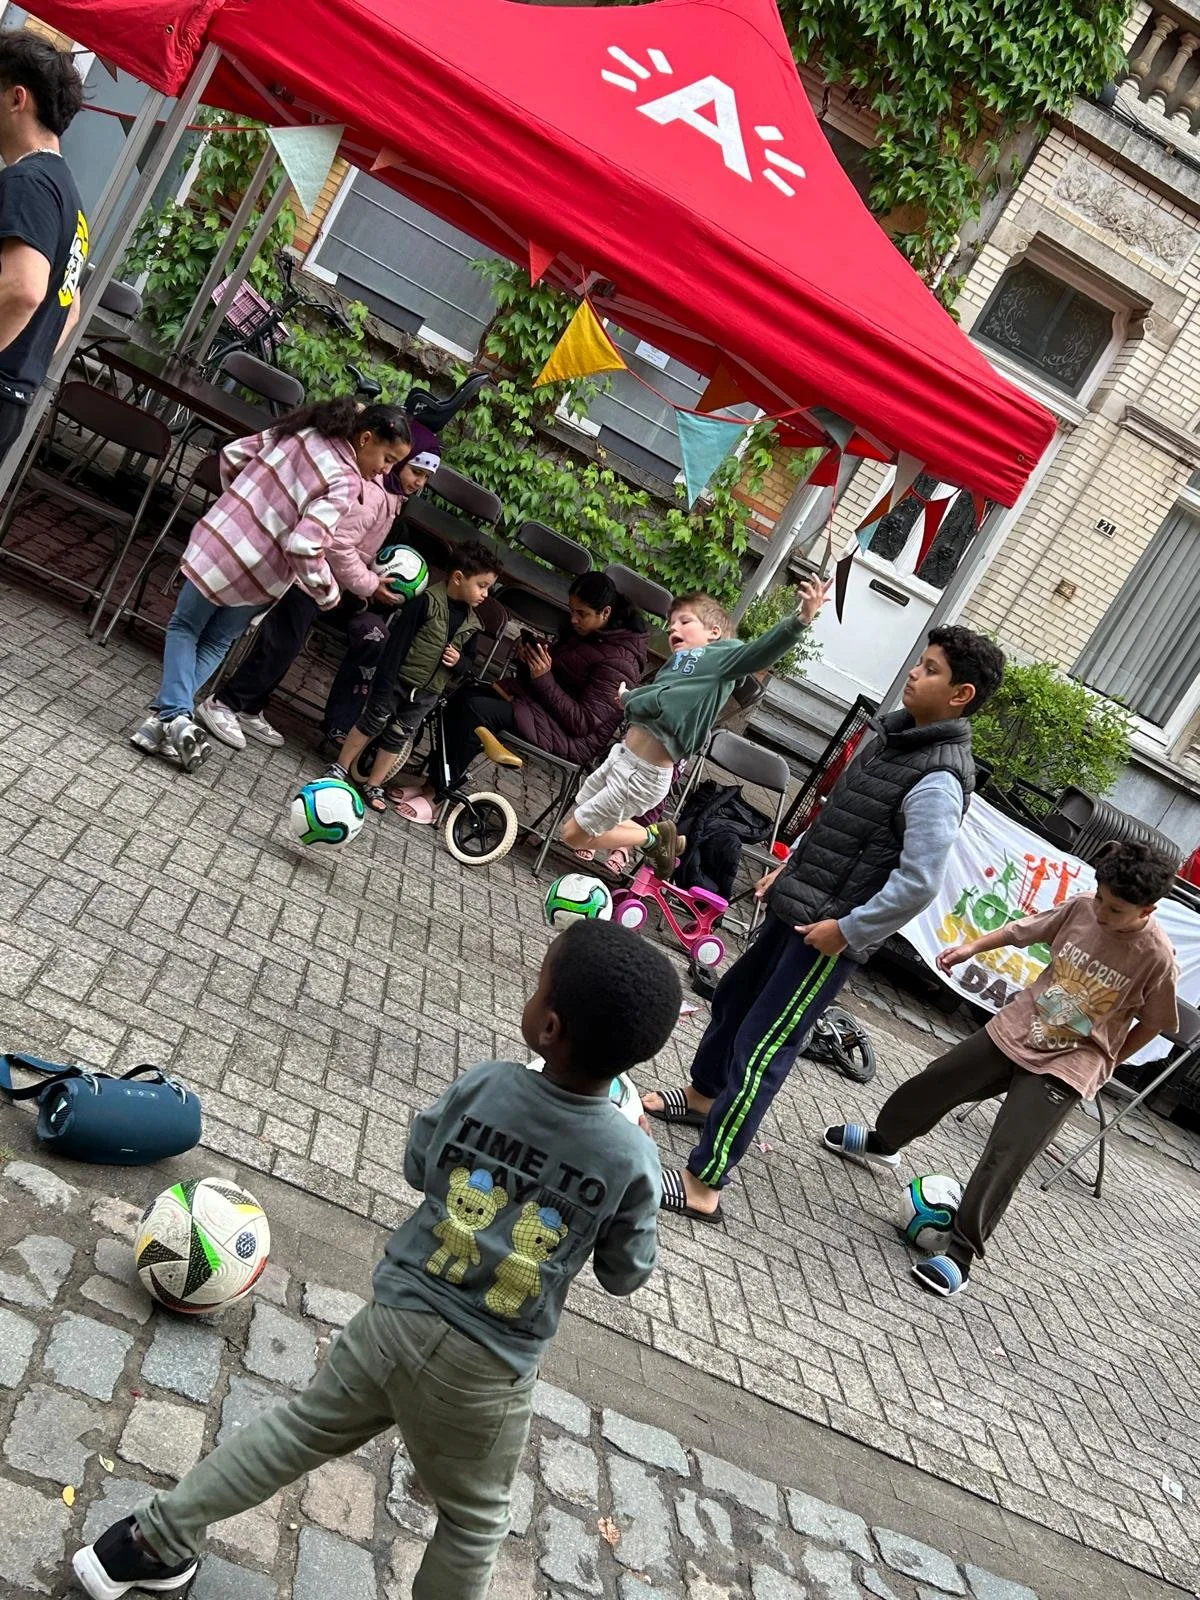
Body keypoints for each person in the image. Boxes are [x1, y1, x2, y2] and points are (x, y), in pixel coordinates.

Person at [71, 920, 681, 1600]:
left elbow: (419, 1164)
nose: (532, 997)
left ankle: (147, 1541)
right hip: (487, 1371)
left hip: (396, 1317)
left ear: (548, 1028)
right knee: (475, 1525)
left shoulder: (487, 1085)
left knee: (299, 1430)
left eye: (537, 988)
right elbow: (626, 1274)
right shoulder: (631, 1156)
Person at [642, 625, 1006, 1223]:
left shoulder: (939, 777)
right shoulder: (893, 740)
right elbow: (841, 818)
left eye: (932, 669)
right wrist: (785, 873)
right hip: (799, 906)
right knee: (733, 1000)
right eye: (920, 662)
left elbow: (919, 883)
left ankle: (706, 1182)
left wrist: (850, 931)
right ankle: (706, 1097)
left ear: (960, 695)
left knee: (763, 1046)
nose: (915, 672)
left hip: (828, 937)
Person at [824, 839, 1180, 1298]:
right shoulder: (1082, 908)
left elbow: (1155, 1022)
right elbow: (1020, 932)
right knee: (936, 1082)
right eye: (1100, 897)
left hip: (1073, 1061)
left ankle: (960, 1254)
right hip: (1022, 1025)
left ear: (1147, 910)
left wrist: (1107, 1059)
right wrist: (969, 948)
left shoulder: (1157, 957)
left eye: (1114, 909)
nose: (1101, 910)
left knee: (1007, 1152)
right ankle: (884, 1141)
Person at [129, 398, 410, 774]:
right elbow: (304, 546)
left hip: (221, 542)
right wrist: (328, 593)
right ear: (365, 438)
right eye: (387, 459)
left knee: (186, 626)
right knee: (215, 640)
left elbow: (231, 455)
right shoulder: (344, 482)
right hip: (262, 572)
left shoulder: (302, 432)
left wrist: (244, 504)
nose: (382, 472)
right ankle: (172, 720)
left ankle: (168, 721)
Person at [199, 420, 443, 751]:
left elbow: (359, 549)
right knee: (281, 642)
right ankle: (225, 703)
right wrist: (369, 585)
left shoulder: (391, 497)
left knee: (295, 642)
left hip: (335, 583)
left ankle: (251, 707)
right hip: (309, 574)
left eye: (426, 477)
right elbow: (338, 546)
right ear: (397, 461)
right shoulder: (371, 495)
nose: (420, 482)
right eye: (416, 471)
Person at [560, 582, 829, 880]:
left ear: (713, 633)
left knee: (572, 834)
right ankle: (662, 837)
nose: (674, 628)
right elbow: (654, 699)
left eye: (685, 621)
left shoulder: (720, 659)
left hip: (644, 774)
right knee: (581, 807)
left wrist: (800, 620)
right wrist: (627, 699)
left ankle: (654, 840)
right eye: (671, 623)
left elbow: (760, 653)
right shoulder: (677, 664)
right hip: (621, 758)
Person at [405, 569, 648, 821]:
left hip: (571, 737)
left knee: (476, 710)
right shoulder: (586, 633)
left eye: (582, 614)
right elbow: (554, 673)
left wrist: (543, 677)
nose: (573, 619)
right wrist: (529, 659)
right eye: (571, 610)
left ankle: (437, 797)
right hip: (540, 707)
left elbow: (582, 722)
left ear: (605, 613)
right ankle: (431, 784)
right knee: (462, 695)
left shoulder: (621, 662)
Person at [325, 538, 500, 812]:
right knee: (371, 722)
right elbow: (396, 646)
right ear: (457, 578)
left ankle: (374, 783)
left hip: (428, 693)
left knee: (398, 735)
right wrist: (383, 685)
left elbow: (470, 663)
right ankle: (340, 767)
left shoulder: (472, 623)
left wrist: (458, 662)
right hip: (398, 681)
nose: (485, 594)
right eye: (482, 585)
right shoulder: (425, 603)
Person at [0, 30, 87, 465]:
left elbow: (24, 290)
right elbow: (69, 312)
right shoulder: (69, 194)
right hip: (12, 400)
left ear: (17, 98)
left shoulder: (28, 182)